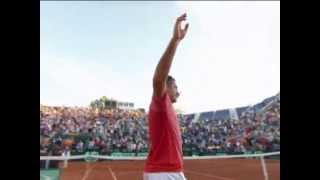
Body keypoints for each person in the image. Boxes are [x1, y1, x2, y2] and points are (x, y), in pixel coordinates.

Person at [144, 13, 189, 180]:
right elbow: (158, 79)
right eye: (176, 87)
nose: (179, 91)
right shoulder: (161, 103)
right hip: (163, 173)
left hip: (171, 171)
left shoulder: (169, 108)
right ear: (167, 87)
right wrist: (175, 41)